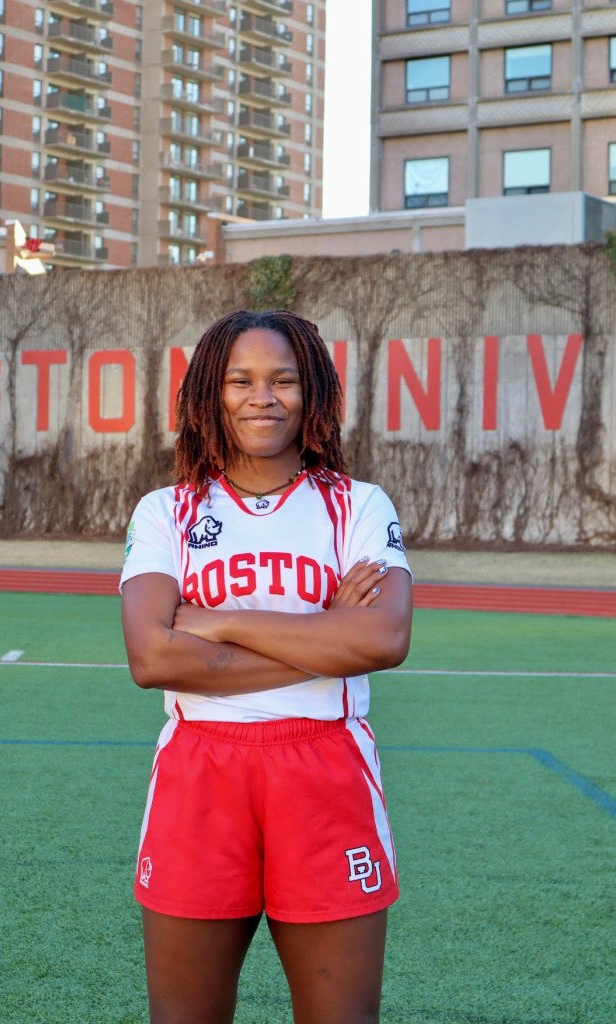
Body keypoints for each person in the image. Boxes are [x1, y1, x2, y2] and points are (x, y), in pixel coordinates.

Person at [120, 308, 413, 1024]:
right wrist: (323, 635)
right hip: (200, 770)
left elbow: (382, 640)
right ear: (208, 395)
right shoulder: (166, 511)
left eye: (283, 379)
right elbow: (152, 656)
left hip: (326, 768)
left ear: (311, 391)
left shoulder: (357, 506)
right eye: (240, 380)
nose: (263, 397)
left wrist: (216, 621)